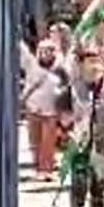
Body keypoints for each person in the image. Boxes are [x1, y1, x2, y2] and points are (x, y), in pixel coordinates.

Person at [59, 46, 104, 207]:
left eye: (97, 61)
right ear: (80, 65)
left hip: (101, 148)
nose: (94, 66)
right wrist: (73, 126)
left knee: (98, 194)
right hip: (80, 148)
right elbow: (63, 121)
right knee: (78, 196)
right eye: (90, 62)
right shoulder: (70, 90)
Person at [22, 39, 67, 178]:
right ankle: (38, 167)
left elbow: (66, 86)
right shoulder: (31, 64)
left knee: (48, 142)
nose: (45, 53)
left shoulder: (61, 68)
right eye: (42, 50)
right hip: (33, 108)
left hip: (52, 111)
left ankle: (46, 170)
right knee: (34, 141)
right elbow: (22, 51)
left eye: (48, 50)